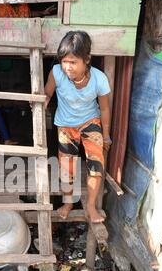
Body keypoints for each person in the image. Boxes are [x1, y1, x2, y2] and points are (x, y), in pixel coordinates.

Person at [44, 31, 112, 223]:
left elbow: (105, 109)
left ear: (87, 59)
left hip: (90, 121)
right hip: (65, 124)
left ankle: (90, 206)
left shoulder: (99, 79)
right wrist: (40, 103)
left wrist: (105, 136)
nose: (67, 67)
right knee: (67, 166)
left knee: (96, 163)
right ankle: (68, 203)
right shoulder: (56, 73)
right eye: (64, 61)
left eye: (73, 62)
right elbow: (47, 94)